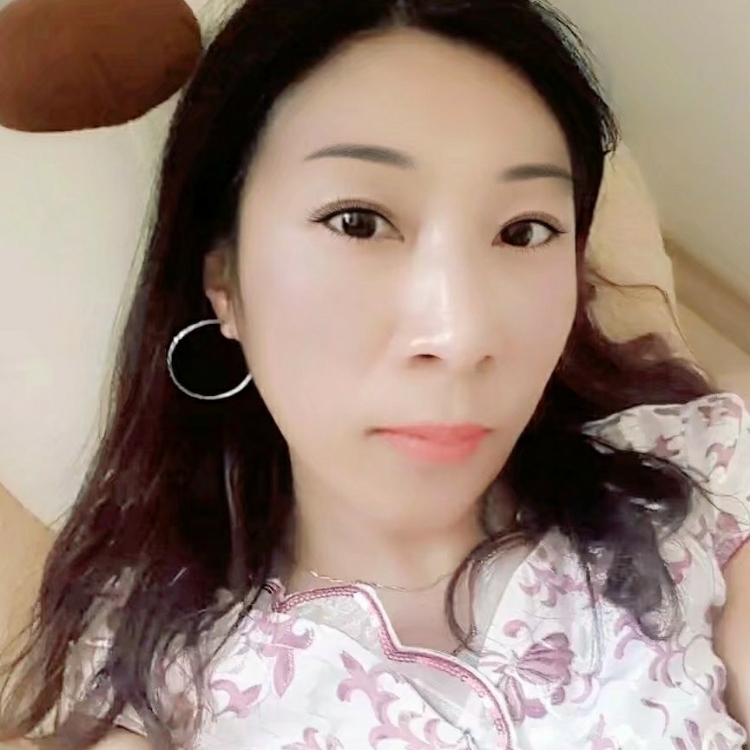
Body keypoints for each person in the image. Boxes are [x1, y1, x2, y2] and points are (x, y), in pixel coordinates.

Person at [1, 0, 749, 748]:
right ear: (224, 279)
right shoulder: (153, 672)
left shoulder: (698, 487)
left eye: (525, 231)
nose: (460, 335)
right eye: (358, 221)